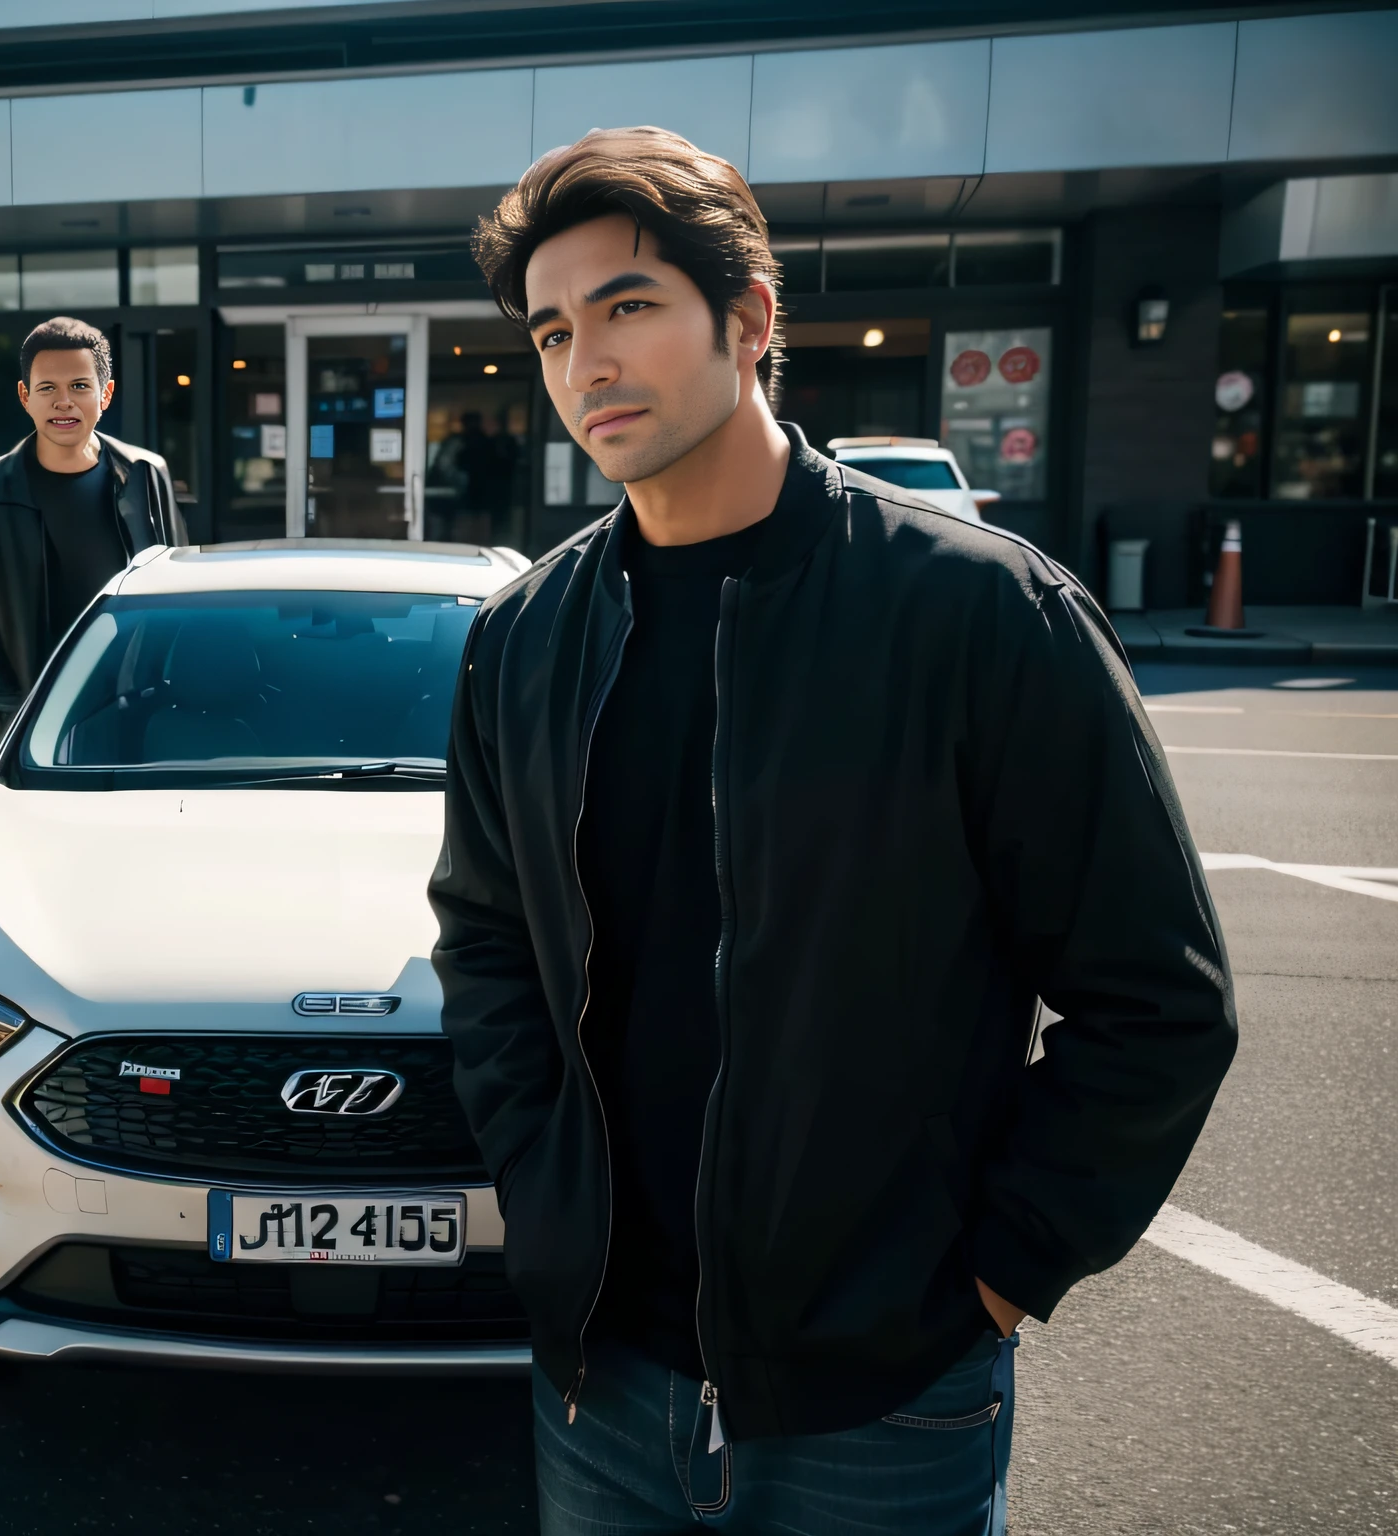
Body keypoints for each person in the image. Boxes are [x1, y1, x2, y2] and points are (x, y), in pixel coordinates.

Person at [427, 127, 1236, 1535]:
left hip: (888, 1396)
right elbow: (487, 942)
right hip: (601, 1382)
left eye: (627, 308)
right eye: (553, 331)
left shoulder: (980, 616)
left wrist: (990, 1274)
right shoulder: (522, 643)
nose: (584, 365)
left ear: (747, 322)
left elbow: (1158, 1001)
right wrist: (544, 1192)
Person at [0, 316, 185, 747]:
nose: (63, 402)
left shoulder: (146, 476)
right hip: (31, 742)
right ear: (25, 397)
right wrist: (16, 714)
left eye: (80, 387)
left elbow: (183, 596)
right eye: (47, 388)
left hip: (143, 727)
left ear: (105, 394)